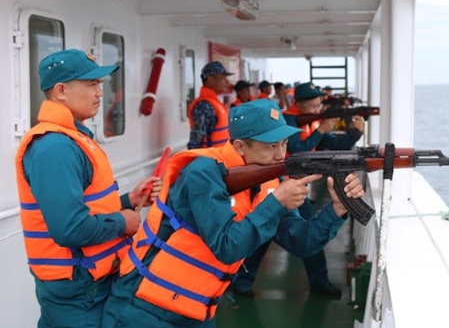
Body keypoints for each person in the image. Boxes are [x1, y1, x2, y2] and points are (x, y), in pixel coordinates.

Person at [102, 99, 364, 328]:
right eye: (270, 146)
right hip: (143, 308)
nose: (280, 155)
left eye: (284, 144)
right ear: (239, 146)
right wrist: (276, 203)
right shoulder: (203, 173)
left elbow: (302, 242)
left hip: (196, 309)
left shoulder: (269, 180)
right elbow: (226, 247)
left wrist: (336, 208)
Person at [14, 49, 160, 328]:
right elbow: (69, 228)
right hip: (79, 292)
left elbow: (86, 206)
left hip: (89, 285)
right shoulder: (54, 147)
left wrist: (128, 200)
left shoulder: (70, 139)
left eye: (100, 84)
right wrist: (123, 222)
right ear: (61, 91)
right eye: (92, 84)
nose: (100, 93)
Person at [233, 82, 365, 299]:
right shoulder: (287, 123)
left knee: (266, 233)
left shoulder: (310, 122)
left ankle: (243, 280)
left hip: (287, 185)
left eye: (318, 106)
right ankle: (316, 281)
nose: (317, 110)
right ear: (300, 105)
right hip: (282, 185)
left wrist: (354, 134)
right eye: (313, 107)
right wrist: (320, 130)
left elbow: (332, 144)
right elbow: (295, 151)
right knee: (266, 233)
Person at [187, 61, 234, 149]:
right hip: (211, 157)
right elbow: (195, 141)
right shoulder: (204, 106)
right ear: (211, 80)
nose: (227, 81)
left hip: (221, 156)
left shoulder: (214, 103)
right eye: (223, 78)